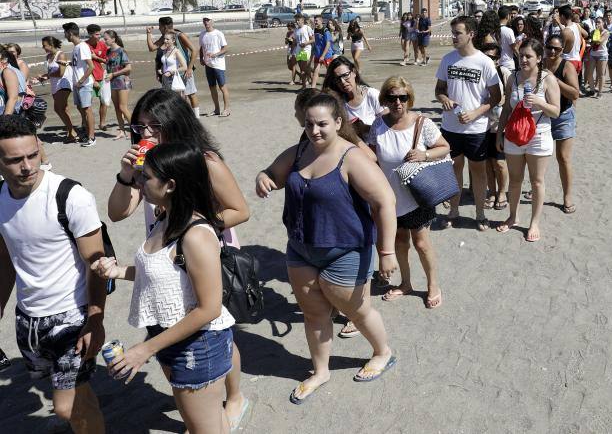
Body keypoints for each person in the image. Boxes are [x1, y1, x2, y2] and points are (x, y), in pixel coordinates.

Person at [107, 89, 249, 427]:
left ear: (175, 123)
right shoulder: (146, 168)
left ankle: (234, 397)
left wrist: (190, 226)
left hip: (200, 249)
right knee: (193, 329)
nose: (145, 134)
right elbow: (117, 213)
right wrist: (127, 174)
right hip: (163, 251)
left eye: (154, 126)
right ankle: (208, 405)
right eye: (139, 126)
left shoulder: (204, 160)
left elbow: (240, 210)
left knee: (216, 328)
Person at [255, 93, 399, 404]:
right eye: (309, 124)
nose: (315, 130)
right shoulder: (300, 151)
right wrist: (263, 178)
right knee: (313, 313)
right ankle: (321, 371)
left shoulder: (352, 158)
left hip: (345, 251)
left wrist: (386, 252)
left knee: (357, 311)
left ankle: (382, 352)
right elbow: (271, 173)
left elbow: (385, 201)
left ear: (338, 122)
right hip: (300, 249)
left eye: (322, 124)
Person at [0, 115, 107, 434]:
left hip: (70, 318)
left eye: (32, 155)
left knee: (66, 405)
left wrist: (95, 319)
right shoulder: (0, 200)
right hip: (29, 320)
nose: (27, 166)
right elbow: (5, 260)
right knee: (79, 400)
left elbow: (97, 263)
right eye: (15, 160)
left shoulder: (70, 196)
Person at [368, 77, 448, 309]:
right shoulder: (378, 125)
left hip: (417, 194)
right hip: (389, 198)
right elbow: (371, 157)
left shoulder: (422, 122)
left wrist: (426, 155)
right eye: (392, 98)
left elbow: (445, 147)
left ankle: (433, 285)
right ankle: (406, 283)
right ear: (385, 99)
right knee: (400, 242)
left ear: (409, 99)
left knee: (422, 243)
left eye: (402, 98)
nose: (397, 103)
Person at [434, 16, 502, 231]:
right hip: (450, 127)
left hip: (476, 128)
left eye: (458, 33)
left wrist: (476, 112)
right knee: (454, 170)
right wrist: (443, 99)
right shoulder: (447, 59)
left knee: (478, 172)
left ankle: (480, 214)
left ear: (471, 34)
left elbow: (496, 96)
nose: (453, 37)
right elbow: (439, 90)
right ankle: (453, 211)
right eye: (453, 32)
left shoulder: (484, 62)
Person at [495, 39, 561, 242]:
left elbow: (556, 111)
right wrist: (499, 133)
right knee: (515, 180)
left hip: (539, 135)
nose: (523, 59)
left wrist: (540, 102)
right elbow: (507, 108)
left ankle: (534, 223)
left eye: (528, 56)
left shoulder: (548, 79)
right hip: (514, 135)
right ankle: (512, 217)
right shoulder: (512, 78)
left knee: (537, 181)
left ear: (539, 58)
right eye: (521, 55)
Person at [543, 34, 580, 214]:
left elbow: (574, 94)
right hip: (543, 116)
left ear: (562, 50)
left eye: (556, 49)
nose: (552, 51)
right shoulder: (539, 63)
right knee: (539, 156)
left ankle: (567, 195)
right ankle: (537, 188)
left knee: (563, 158)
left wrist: (554, 80)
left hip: (563, 116)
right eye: (549, 47)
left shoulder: (567, 66)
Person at [146, 17, 200, 117]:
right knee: (179, 97)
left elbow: (194, 50)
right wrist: (148, 33)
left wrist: (189, 68)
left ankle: (196, 118)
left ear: (164, 26)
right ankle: (185, 116)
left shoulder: (179, 35)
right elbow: (152, 48)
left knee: (190, 94)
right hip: (171, 73)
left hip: (184, 71)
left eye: (160, 26)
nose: (158, 28)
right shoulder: (164, 37)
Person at [322, 56, 383, 140]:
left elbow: (389, 125)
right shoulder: (337, 102)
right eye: (337, 79)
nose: (343, 82)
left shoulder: (372, 95)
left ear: (354, 72)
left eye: (345, 75)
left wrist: (365, 128)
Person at [480, 42, 509, 211]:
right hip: (481, 125)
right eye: (486, 57)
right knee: (487, 163)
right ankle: (492, 192)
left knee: (500, 163)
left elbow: (512, 95)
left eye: (492, 57)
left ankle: (502, 192)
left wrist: (502, 99)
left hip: (500, 126)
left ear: (498, 60)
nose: (489, 60)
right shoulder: (478, 73)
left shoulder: (503, 73)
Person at [37, 36, 77, 142]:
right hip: (55, 85)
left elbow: (61, 73)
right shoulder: (48, 56)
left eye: (44, 45)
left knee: (58, 108)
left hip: (63, 83)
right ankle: (70, 131)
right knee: (64, 109)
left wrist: (48, 76)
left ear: (51, 45)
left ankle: (72, 132)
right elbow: (52, 72)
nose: (43, 47)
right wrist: (44, 76)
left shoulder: (61, 55)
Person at [63, 22, 96, 147]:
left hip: (83, 84)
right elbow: (79, 65)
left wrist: (81, 81)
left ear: (70, 33)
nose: (65, 35)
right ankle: (87, 133)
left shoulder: (82, 46)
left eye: (65, 33)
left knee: (87, 110)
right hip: (77, 84)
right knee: (81, 109)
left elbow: (91, 66)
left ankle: (92, 137)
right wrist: (68, 63)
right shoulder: (76, 47)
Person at [103, 30, 132, 141]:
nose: (104, 41)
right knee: (117, 108)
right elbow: (109, 65)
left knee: (123, 107)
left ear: (113, 39)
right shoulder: (108, 51)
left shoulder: (121, 51)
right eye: (104, 38)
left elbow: (128, 68)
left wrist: (113, 74)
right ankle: (122, 131)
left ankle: (136, 130)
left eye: (106, 39)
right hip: (112, 82)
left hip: (122, 81)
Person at [199, 17, 231, 117]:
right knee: (212, 87)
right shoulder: (202, 34)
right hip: (208, 65)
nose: (206, 22)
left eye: (208, 20)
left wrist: (216, 54)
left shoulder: (218, 33)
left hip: (218, 64)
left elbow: (226, 48)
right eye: (204, 20)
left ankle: (226, 109)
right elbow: (201, 48)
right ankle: (216, 109)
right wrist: (201, 58)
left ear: (212, 22)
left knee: (222, 87)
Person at [86, 25, 110, 130]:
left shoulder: (102, 45)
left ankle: (102, 123)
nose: (99, 36)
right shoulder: (84, 46)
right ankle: (85, 124)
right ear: (90, 34)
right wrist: (92, 79)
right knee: (87, 104)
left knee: (104, 101)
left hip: (101, 76)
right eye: (97, 34)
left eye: (99, 33)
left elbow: (107, 60)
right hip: (88, 78)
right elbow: (84, 65)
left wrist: (95, 57)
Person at [586, 18, 609, 98]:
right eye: (596, 22)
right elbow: (591, 43)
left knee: (601, 74)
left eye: (599, 22)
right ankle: (592, 90)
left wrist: (596, 32)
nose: (597, 24)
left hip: (602, 54)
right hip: (593, 54)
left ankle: (600, 92)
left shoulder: (606, 32)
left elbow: (599, 41)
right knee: (589, 73)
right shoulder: (593, 32)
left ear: (603, 23)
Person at [310, 16, 334, 89]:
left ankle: (334, 87)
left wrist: (323, 56)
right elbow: (316, 42)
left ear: (321, 21)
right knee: (315, 72)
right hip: (318, 54)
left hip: (326, 55)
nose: (315, 22)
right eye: (315, 21)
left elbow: (328, 44)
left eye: (316, 21)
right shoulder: (315, 30)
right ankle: (312, 88)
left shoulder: (325, 31)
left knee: (330, 72)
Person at [293, 14, 314, 88]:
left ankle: (311, 83)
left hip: (306, 49)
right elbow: (295, 42)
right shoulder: (296, 30)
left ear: (302, 20)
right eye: (296, 20)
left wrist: (305, 43)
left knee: (304, 68)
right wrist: (292, 52)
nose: (296, 21)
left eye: (298, 20)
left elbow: (313, 39)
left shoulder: (307, 28)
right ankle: (304, 85)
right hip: (299, 50)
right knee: (302, 68)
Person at [497, 6, 517, 72]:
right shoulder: (508, 30)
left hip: (497, 63)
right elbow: (514, 47)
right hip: (508, 64)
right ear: (507, 16)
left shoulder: (494, 29)